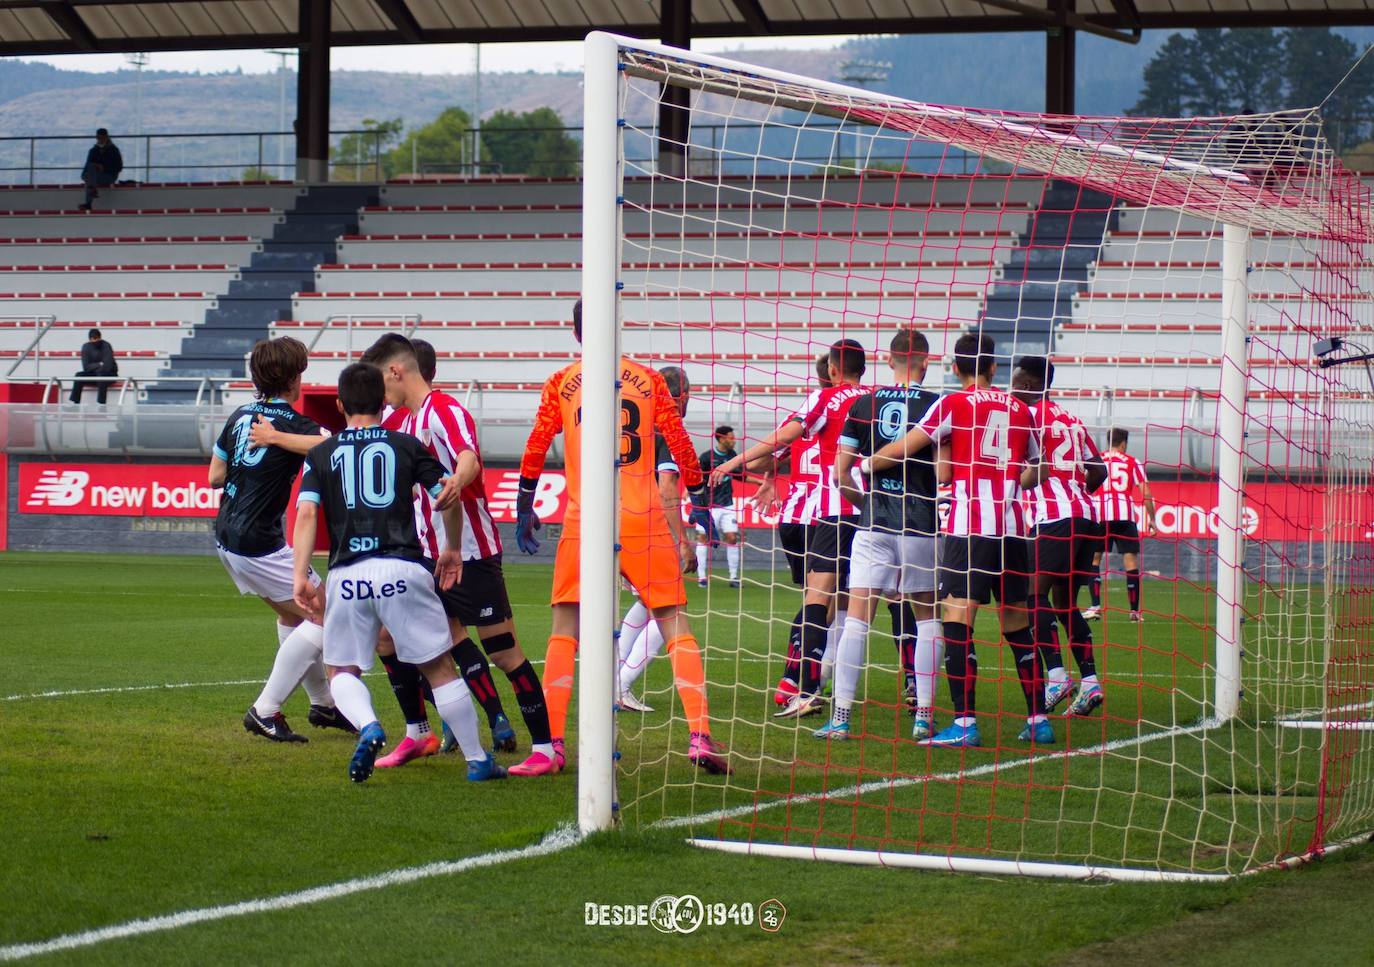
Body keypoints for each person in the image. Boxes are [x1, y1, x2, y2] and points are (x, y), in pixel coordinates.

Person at [515, 300, 731, 775]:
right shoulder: (651, 380)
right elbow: (679, 445)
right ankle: (699, 735)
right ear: (618, 326)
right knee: (674, 625)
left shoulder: (561, 381)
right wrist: (698, 501)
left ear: (576, 334)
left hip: (583, 517)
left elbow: (536, 443)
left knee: (564, 631)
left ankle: (549, 747)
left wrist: (524, 502)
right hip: (643, 516)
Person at [291, 362, 503, 783]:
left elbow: (308, 512)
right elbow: (449, 491)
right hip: (402, 567)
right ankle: (478, 761)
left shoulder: (321, 453)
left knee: (342, 671)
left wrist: (300, 573)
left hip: (347, 572)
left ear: (339, 405)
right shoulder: (405, 443)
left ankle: (369, 726)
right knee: (439, 668)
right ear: (382, 400)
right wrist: (453, 548)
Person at [360, 334, 557, 777]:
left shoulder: (446, 410)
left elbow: (469, 457)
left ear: (396, 371)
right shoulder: (404, 424)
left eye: (382, 379)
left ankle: (544, 749)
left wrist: (455, 480)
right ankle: (417, 733)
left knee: (504, 651)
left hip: (470, 553)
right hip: (426, 557)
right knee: (394, 641)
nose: (381, 392)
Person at [869, 332, 1049, 747]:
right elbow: (1040, 469)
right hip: (1013, 528)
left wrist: (867, 463)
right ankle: (1039, 719)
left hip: (969, 529)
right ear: (993, 367)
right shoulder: (1021, 408)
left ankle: (965, 724)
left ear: (955, 368)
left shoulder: (952, 403)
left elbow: (912, 446)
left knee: (956, 621)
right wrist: (1006, 483)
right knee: (1017, 625)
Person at [711, 339, 867, 720]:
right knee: (858, 602)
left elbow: (780, 443)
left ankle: (800, 684)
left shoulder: (819, 404)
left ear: (831, 371)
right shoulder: (875, 400)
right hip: (870, 508)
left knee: (818, 599)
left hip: (815, 512)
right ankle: (912, 696)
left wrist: (740, 465)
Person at [208, 336, 351, 743]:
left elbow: (215, 476)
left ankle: (324, 705)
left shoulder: (240, 415)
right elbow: (335, 444)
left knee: (294, 616)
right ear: (293, 378)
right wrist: (276, 441)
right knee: (329, 616)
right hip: (258, 541)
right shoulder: (292, 423)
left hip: (227, 536)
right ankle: (265, 710)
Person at [816, 329, 943, 742]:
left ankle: (840, 718)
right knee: (926, 617)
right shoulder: (939, 405)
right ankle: (924, 716)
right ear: (926, 362)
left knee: (857, 619)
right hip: (922, 523)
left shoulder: (863, 403)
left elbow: (840, 472)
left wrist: (865, 498)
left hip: (874, 523)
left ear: (888, 361)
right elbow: (944, 474)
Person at [1010, 356, 1109, 718]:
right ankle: (1091, 683)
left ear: (1034, 386)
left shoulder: (1026, 417)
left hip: (1053, 517)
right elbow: (1098, 471)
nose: (1012, 389)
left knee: (1031, 594)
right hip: (1086, 516)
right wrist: (1075, 490)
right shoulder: (1072, 419)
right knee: (1065, 603)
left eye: (1018, 383)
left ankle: (1055, 676)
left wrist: (1053, 491)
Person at [753, 352, 833, 707]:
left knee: (815, 599)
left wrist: (771, 473)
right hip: (826, 515)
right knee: (830, 603)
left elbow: (758, 458)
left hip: (792, 517)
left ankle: (794, 678)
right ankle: (807, 679)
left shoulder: (799, 419)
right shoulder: (851, 411)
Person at [616, 365, 695, 713]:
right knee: (669, 609)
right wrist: (682, 539)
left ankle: (613, 677)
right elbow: (666, 488)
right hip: (646, 527)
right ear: (681, 397)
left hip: (616, 521)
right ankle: (620, 684)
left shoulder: (630, 424)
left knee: (648, 603)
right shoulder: (667, 430)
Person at [1086, 427, 1157, 622]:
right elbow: (1146, 492)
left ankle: (1095, 607)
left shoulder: (1098, 459)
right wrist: (1152, 518)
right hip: (1125, 515)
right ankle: (1134, 611)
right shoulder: (1133, 462)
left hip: (1100, 514)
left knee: (1094, 559)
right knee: (1130, 561)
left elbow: (1086, 484)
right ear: (1124, 443)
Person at [695, 425, 744, 588]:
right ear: (722, 439)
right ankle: (702, 577)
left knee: (732, 538)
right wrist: (691, 494)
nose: (734, 440)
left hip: (727, 505)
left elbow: (740, 476)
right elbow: (698, 479)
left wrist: (760, 482)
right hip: (708, 506)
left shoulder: (732, 456)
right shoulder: (706, 457)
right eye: (731, 437)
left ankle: (734, 577)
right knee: (703, 539)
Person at [79, 128, 122, 212]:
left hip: (109, 176)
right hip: (93, 176)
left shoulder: (113, 150)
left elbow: (118, 167)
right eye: (98, 138)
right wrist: (95, 167)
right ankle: (92, 189)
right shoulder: (93, 151)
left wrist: (104, 168)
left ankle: (89, 202)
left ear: (106, 137)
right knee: (91, 169)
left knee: (90, 178)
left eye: (102, 138)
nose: (100, 140)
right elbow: (86, 168)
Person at [70, 328, 117, 404]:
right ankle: (75, 404)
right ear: (89, 339)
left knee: (101, 376)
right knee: (79, 375)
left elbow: (108, 366)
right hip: (94, 375)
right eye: (92, 340)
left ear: (100, 338)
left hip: (109, 375)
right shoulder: (86, 347)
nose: (94, 341)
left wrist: (94, 367)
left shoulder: (106, 346)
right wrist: (99, 364)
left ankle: (101, 405)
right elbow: (86, 367)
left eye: (96, 339)